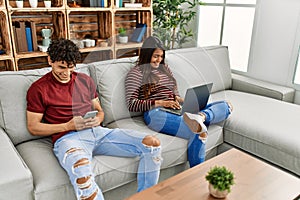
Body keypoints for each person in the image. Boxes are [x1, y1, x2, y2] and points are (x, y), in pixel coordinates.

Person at [26, 38, 162, 200]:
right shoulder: (39, 89)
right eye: (61, 67)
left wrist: (98, 118)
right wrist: (68, 125)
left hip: (98, 132)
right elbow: (33, 127)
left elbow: (99, 111)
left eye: (71, 67)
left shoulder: (84, 80)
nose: (66, 73)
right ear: (50, 60)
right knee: (83, 179)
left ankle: (145, 197)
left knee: (152, 145)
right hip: (68, 140)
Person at [125, 36, 232, 168]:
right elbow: (132, 103)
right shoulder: (136, 73)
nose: (159, 60)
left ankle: (201, 116)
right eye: (155, 56)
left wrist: (183, 100)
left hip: (175, 108)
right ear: (147, 55)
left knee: (226, 106)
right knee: (198, 131)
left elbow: (174, 94)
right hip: (156, 112)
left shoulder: (165, 69)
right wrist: (162, 103)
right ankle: (197, 175)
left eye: (161, 56)